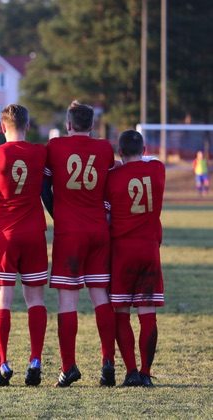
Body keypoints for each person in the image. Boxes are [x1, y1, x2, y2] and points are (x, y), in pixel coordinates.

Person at [41, 101, 117, 387]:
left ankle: (68, 366)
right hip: (99, 229)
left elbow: (43, 188)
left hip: (69, 232)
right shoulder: (105, 149)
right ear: (93, 125)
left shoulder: (56, 147)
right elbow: (110, 187)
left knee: (67, 300)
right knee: (100, 296)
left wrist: (56, 213)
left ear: (69, 124)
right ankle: (107, 363)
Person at [0, 104, 48, 387]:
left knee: (2, 301)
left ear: (2, 126)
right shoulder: (41, 153)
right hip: (34, 232)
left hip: (4, 234)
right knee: (36, 300)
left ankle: (3, 364)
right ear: (29, 126)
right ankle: (35, 360)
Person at [106, 130, 165, 387]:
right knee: (147, 313)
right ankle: (145, 372)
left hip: (122, 250)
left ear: (120, 152)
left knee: (121, 311)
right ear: (144, 149)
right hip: (149, 248)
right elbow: (149, 160)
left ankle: (130, 371)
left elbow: (107, 217)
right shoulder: (158, 170)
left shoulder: (112, 178)